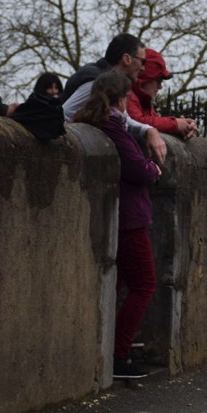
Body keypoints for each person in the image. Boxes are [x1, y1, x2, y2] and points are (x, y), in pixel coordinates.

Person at [71, 71, 162, 379]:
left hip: (124, 217)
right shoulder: (113, 125)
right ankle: (120, 354)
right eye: (126, 98)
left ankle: (112, 346)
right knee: (144, 285)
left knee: (121, 282)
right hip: (129, 220)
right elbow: (138, 168)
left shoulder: (103, 124)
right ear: (121, 99)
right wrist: (152, 168)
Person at [62, 33, 168, 164]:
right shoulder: (95, 82)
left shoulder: (112, 83)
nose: (143, 68)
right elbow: (64, 113)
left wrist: (148, 130)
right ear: (127, 59)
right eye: (142, 62)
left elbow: (123, 119)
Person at [126, 49, 198, 140]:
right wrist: (175, 124)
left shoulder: (143, 99)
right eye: (159, 80)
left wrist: (185, 126)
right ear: (145, 78)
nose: (160, 86)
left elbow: (153, 122)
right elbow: (136, 121)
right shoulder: (128, 95)